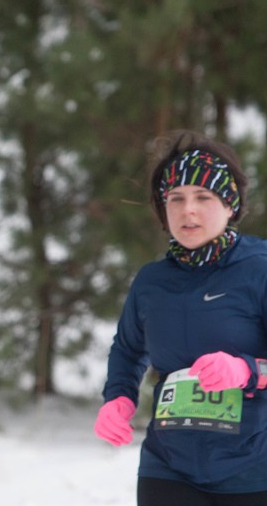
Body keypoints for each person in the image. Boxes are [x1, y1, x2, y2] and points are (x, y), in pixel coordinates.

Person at [94, 130, 267, 505]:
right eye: (176, 198)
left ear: (230, 205)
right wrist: (118, 399)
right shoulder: (151, 281)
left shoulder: (260, 269)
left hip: (252, 468)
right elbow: (127, 350)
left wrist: (246, 372)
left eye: (203, 197)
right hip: (168, 466)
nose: (188, 209)